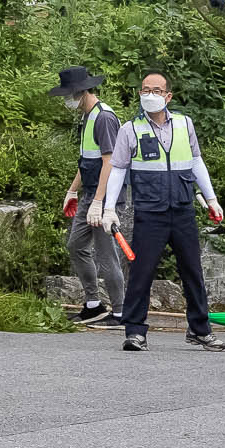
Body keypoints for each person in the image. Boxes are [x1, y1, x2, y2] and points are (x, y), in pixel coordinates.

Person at [97, 70, 225, 352]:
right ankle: (135, 332)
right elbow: (118, 169)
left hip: (182, 209)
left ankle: (200, 330)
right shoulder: (130, 129)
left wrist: (211, 198)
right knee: (142, 272)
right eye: (145, 90)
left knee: (192, 271)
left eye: (156, 90)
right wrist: (109, 208)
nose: (150, 95)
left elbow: (196, 162)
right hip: (149, 211)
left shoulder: (184, 124)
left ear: (168, 96)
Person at [53, 67, 127, 326]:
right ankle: (94, 305)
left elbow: (111, 163)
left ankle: (120, 312)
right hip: (89, 195)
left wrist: (99, 202)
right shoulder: (87, 117)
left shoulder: (105, 118)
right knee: (75, 245)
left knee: (106, 255)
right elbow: (88, 160)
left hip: (104, 198)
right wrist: (72, 190)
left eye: (68, 95)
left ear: (80, 92)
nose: (66, 101)